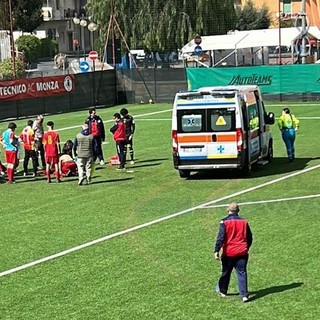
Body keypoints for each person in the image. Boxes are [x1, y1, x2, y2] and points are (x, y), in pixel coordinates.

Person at [214, 202, 253, 303]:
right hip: (242, 252)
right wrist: (246, 247)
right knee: (242, 273)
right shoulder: (244, 222)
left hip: (229, 253)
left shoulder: (224, 222)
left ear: (228, 210)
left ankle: (223, 291)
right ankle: (244, 295)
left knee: (226, 272)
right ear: (238, 210)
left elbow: (220, 237)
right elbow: (249, 237)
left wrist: (216, 250)